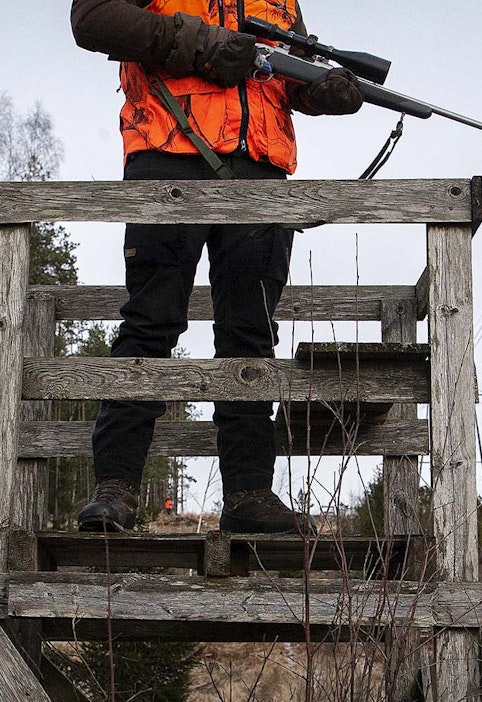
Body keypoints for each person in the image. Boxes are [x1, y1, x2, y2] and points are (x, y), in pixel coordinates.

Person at [69, 0, 363, 533]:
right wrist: (202, 46)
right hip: (167, 153)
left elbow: (283, 66)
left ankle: (250, 495)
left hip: (260, 169)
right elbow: (92, 18)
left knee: (251, 334)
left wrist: (320, 90)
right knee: (150, 323)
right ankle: (116, 489)